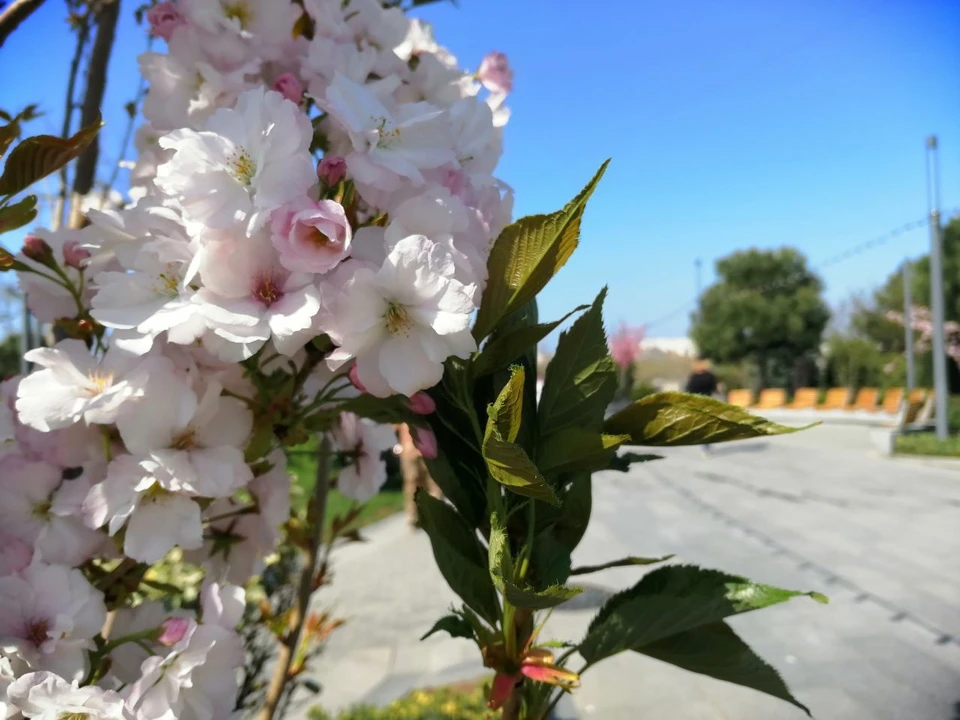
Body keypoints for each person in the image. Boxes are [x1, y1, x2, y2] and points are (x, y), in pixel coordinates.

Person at [685, 358, 723, 454]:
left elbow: (716, 388)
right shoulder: (693, 377)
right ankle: (705, 445)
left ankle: (706, 443)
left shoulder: (709, 375)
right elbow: (689, 391)